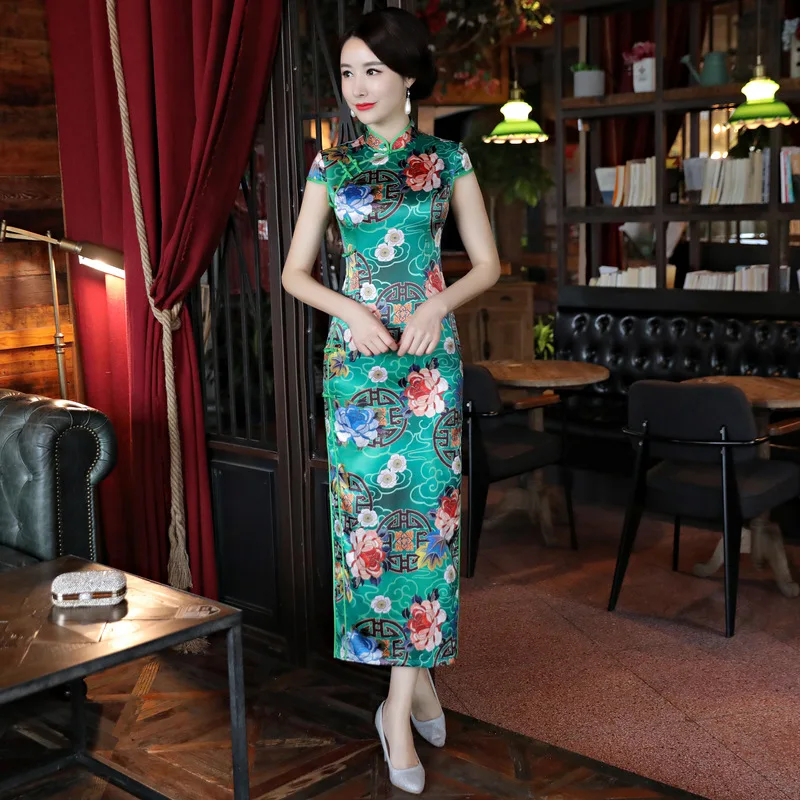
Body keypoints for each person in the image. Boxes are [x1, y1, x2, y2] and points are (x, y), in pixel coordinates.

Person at [282, 7, 500, 795]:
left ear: (409, 77)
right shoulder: (331, 165)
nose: (358, 87)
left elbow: (488, 265)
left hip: (428, 370)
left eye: (373, 70)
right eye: (348, 72)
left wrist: (438, 303)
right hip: (357, 374)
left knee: (427, 538)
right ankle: (419, 685)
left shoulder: (448, 160)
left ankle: (395, 712)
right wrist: (351, 311)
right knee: (371, 535)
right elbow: (295, 273)